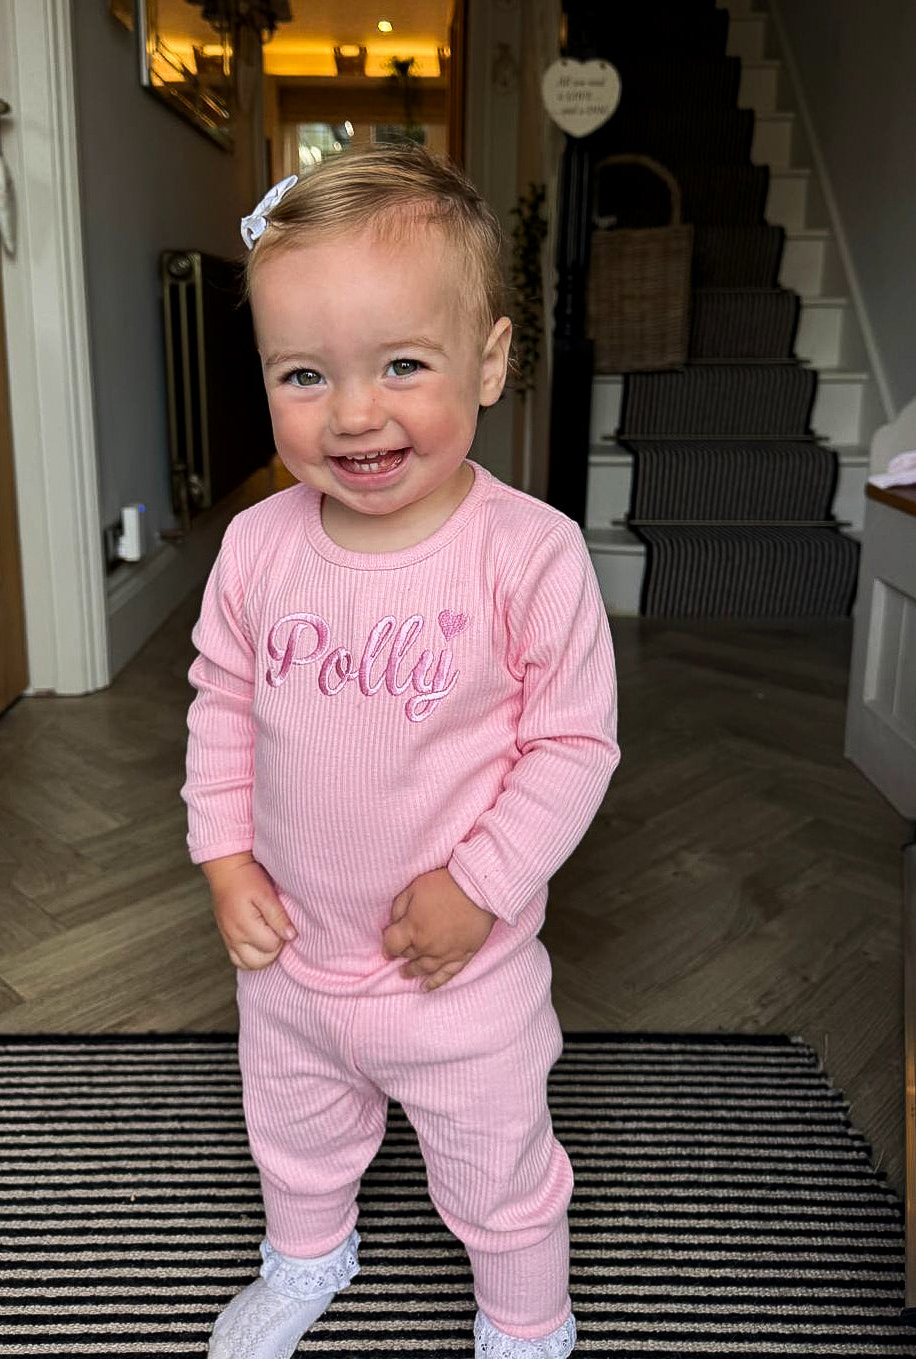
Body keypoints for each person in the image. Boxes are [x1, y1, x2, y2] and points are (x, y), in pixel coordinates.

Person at [182, 143, 619, 1359]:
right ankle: (308, 1259)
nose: (355, 414)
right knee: (295, 1132)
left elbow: (573, 745)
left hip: (458, 978)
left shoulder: (528, 555)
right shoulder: (259, 548)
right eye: (306, 374)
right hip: (292, 961)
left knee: (497, 1161)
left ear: (488, 359)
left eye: (403, 365)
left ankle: (527, 1322)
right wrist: (224, 859)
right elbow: (221, 702)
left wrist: (480, 887)